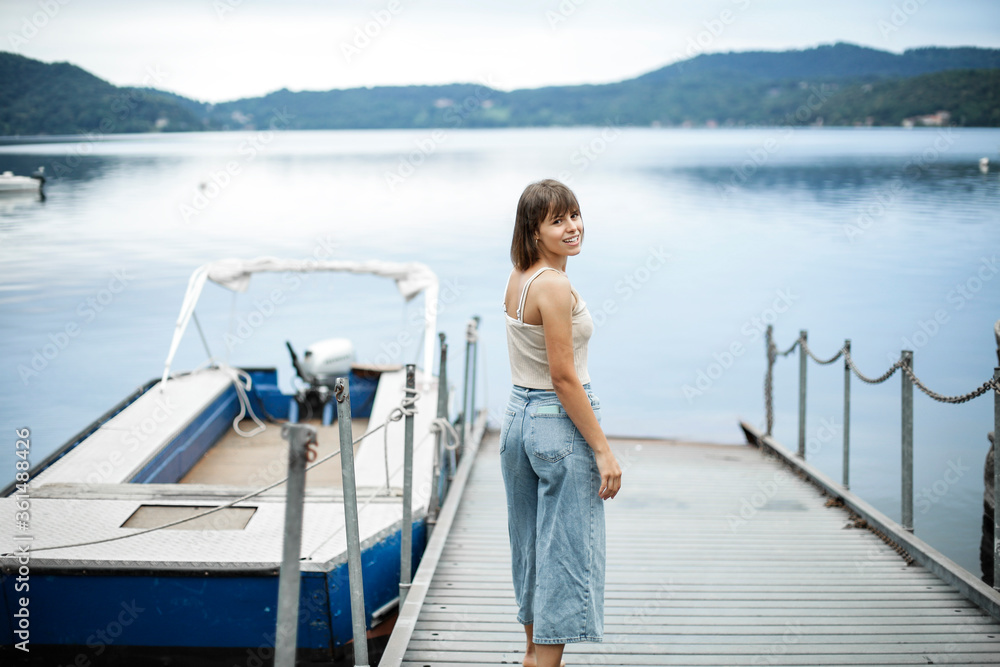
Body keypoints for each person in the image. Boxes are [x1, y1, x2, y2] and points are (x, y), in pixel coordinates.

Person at [500, 178, 622, 667]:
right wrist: (603, 450)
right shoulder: (554, 284)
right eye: (558, 220)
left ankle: (534, 654)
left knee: (530, 544)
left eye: (574, 214)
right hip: (556, 422)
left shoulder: (519, 276)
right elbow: (564, 377)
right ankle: (543, 661)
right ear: (534, 231)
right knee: (565, 552)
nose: (572, 227)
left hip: (518, 417)